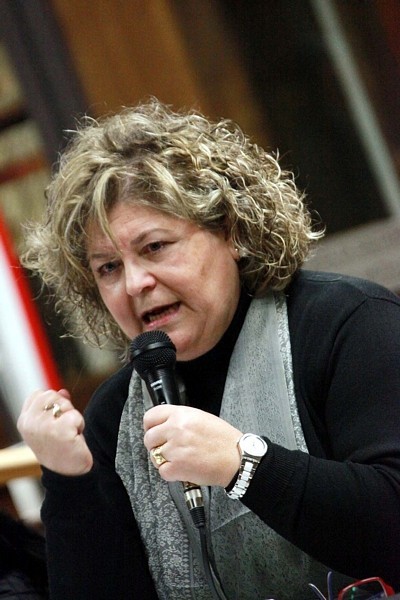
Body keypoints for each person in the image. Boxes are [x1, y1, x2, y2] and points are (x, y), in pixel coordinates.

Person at [17, 98, 400, 599]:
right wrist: (69, 480)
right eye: (108, 267)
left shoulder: (347, 322)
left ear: (232, 232)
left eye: (155, 247)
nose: (134, 283)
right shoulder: (112, 419)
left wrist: (245, 466)